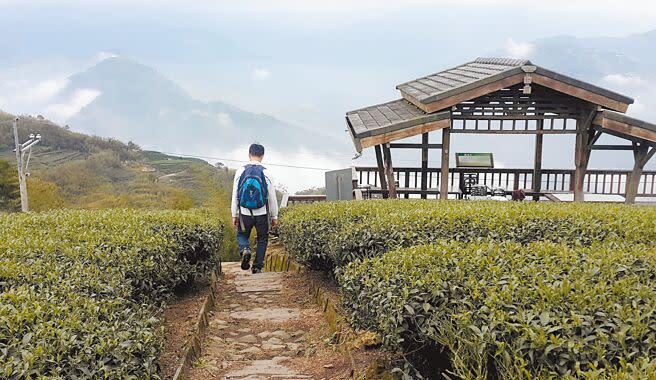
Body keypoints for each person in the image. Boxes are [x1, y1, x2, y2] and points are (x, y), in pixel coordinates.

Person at [231, 143, 279, 274]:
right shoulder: (266, 172)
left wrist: (234, 214)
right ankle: (257, 267)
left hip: (244, 212)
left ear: (249, 154)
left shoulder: (240, 171)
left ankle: (245, 249)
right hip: (262, 212)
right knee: (262, 238)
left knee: (241, 234)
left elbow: (235, 194)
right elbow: (271, 197)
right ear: (262, 156)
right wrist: (274, 216)